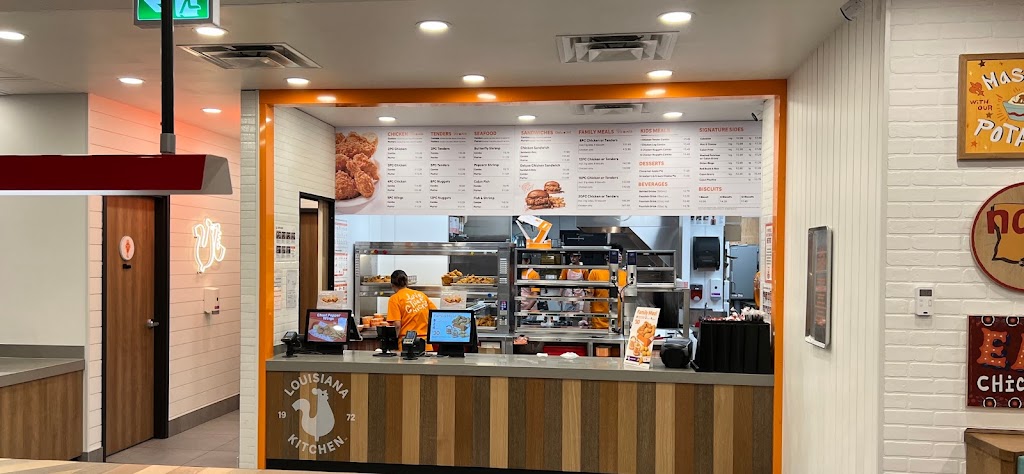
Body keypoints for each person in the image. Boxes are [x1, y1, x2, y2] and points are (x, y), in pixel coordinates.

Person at [386, 270, 436, 344]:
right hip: (425, 342)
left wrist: (393, 342)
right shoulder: (421, 295)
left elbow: (397, 325)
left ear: (392, 285)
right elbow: (435, 315)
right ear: (407, 283)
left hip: (406, 343)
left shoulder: (394, 298)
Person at [586, 247, 627, 330]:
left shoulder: (624, 274)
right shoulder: (595, 272)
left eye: (620, 253)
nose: (620, 256)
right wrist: (585, 318)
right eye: (616, 253)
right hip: (598, 323)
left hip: (618, 324)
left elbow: (626, 300)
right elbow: (588, 297)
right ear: (607, 257)